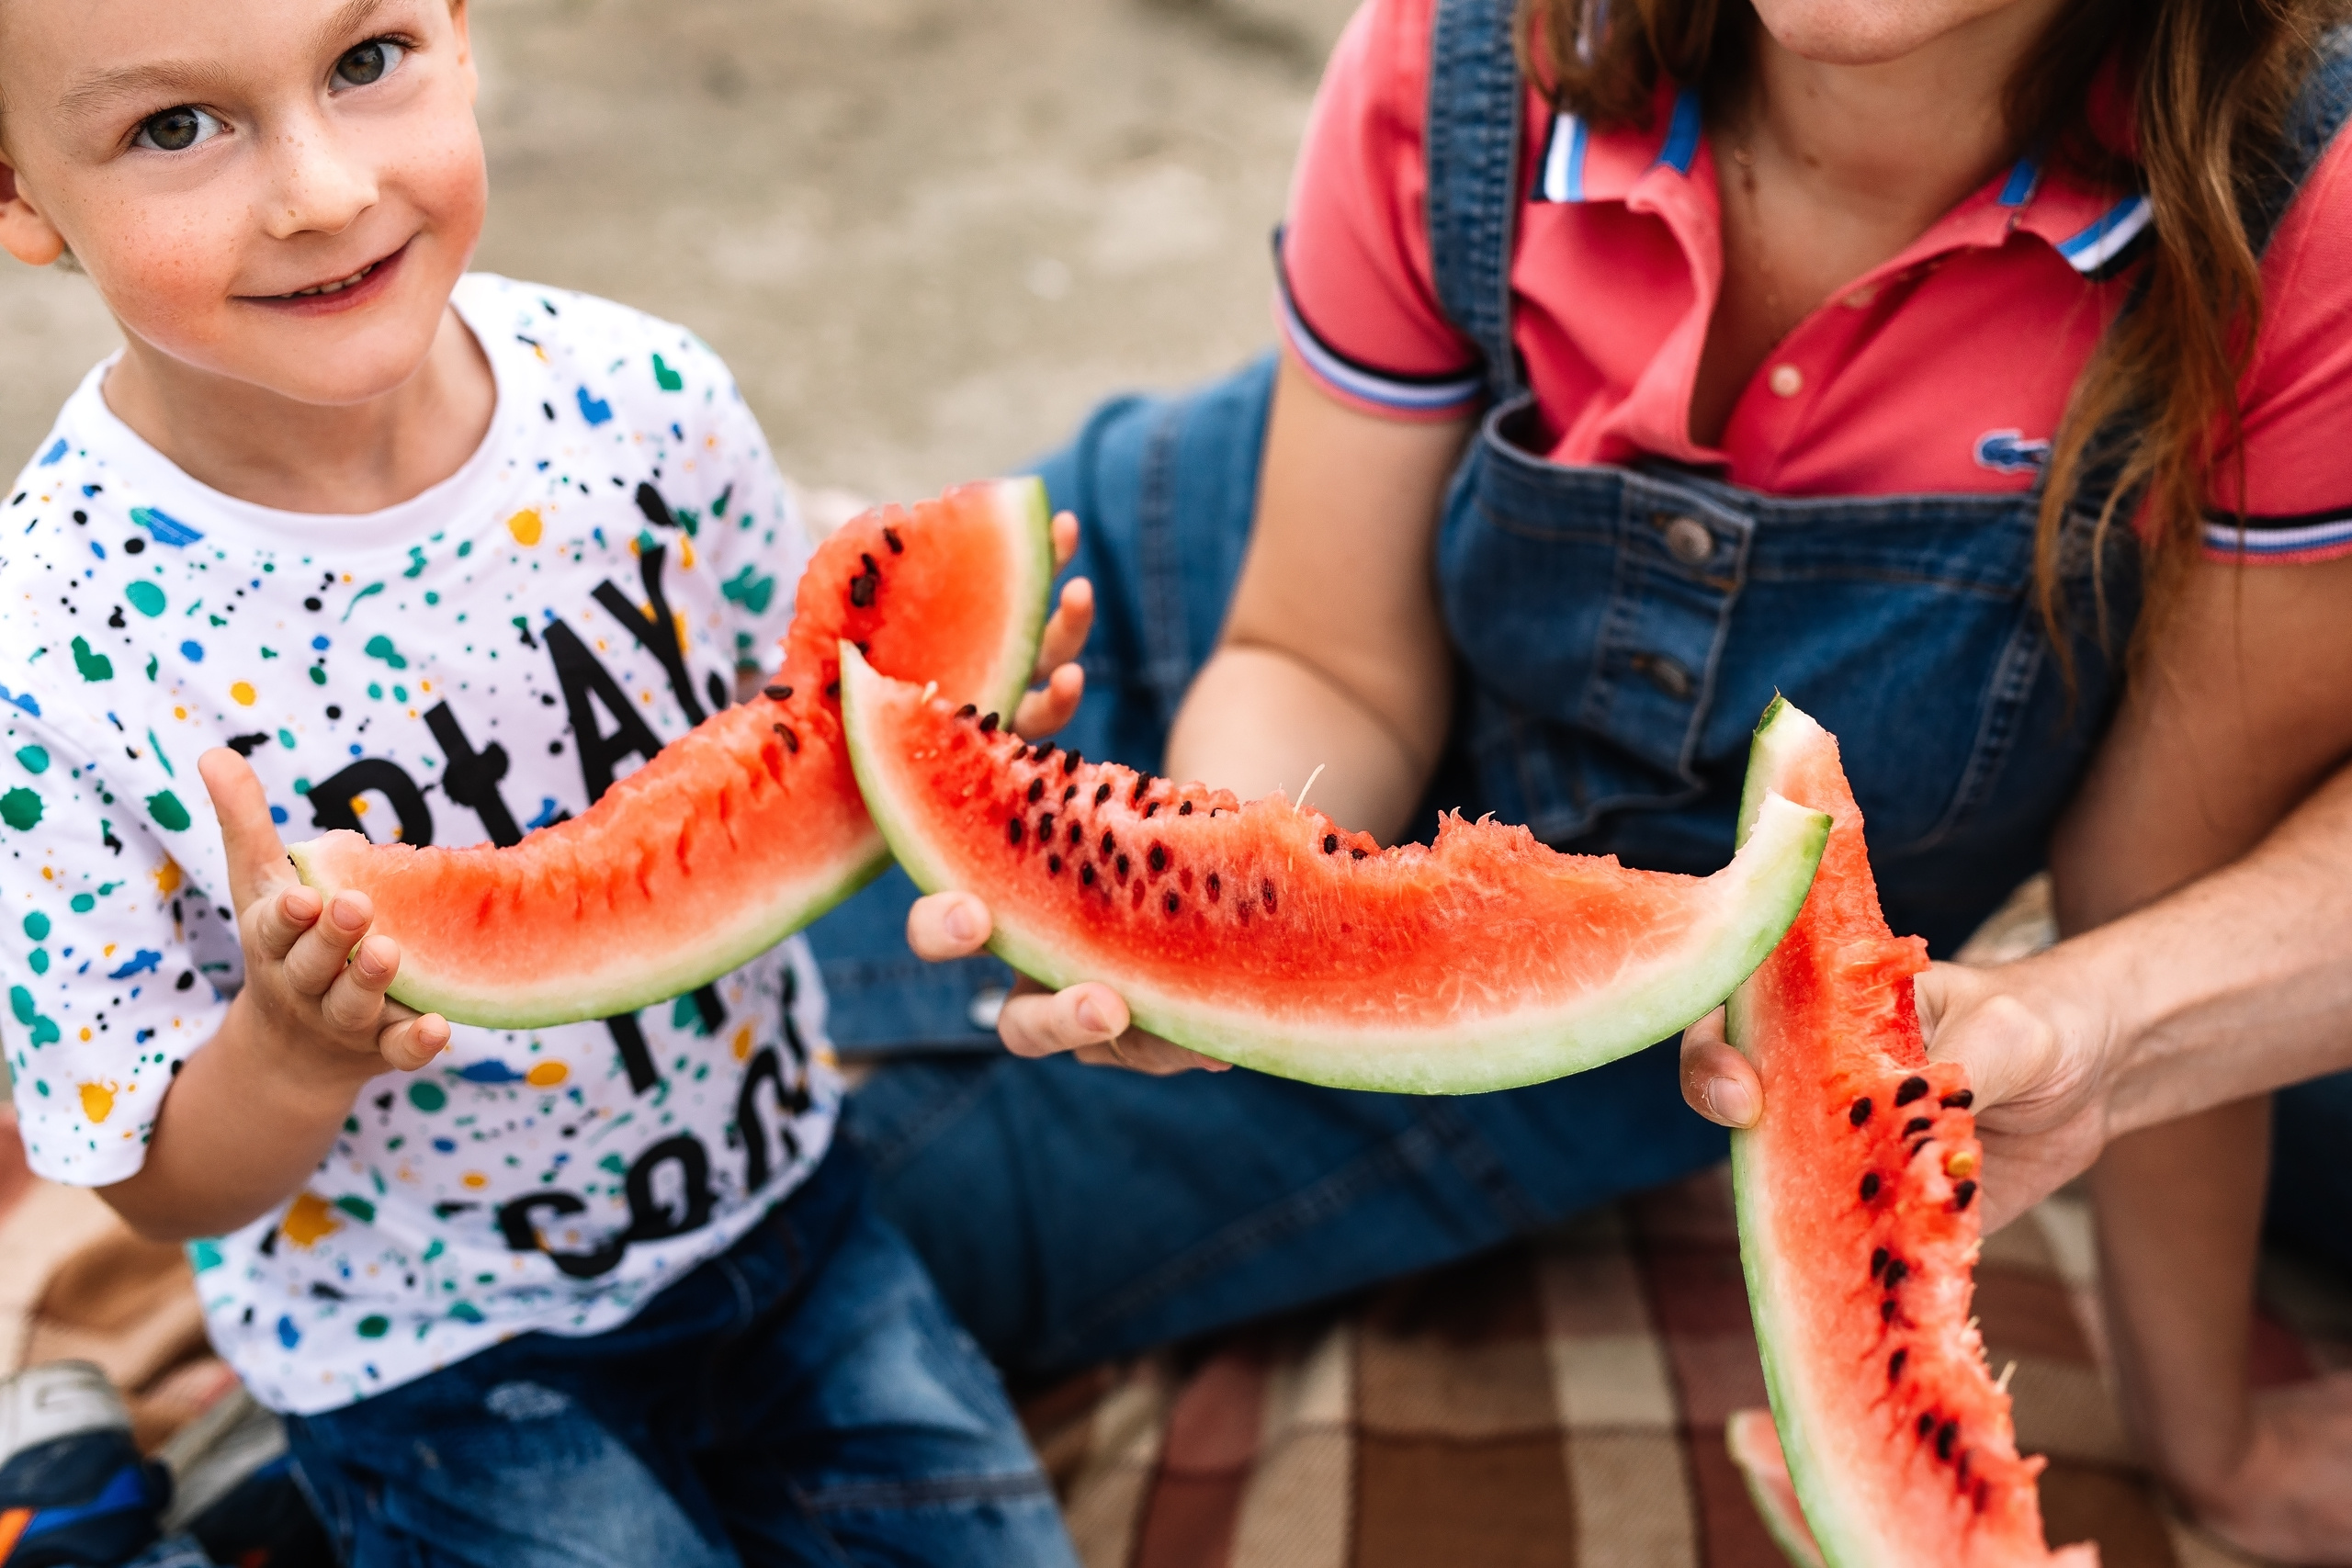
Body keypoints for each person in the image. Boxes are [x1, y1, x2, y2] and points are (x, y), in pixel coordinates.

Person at [833, 0, 2352, 1558]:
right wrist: (1213, 908)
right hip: (1204, 649)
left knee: (803, 1244)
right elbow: (1324, 654)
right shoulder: (1474, 49)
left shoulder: (2303, 209)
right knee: (636, 1065)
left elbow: (2164, 898)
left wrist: (2204, 1438)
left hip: (1568, 1046)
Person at [0, 1, 1092, 1562]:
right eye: (175, 128)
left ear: (457, 24)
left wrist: (951, 735)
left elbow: (804, 742)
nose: (319, 191)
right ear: (18, 192)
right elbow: (161, 1187)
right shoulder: (52, 655)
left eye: (366, 61)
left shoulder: (644, 401)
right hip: (431, 1362)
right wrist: (294, 1051)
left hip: (795, 1222)